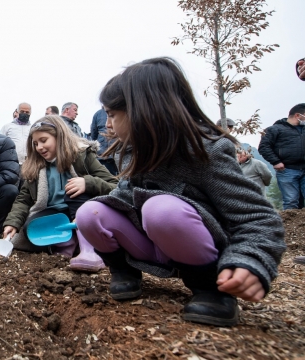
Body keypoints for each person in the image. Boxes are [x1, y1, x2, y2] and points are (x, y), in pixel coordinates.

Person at [74, 57, 285, 327]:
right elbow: (125, 195)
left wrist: (250, 261)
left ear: (143, 110)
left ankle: (211, 290)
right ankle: (124, 272)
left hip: (196, 246)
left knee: (161, 210)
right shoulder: (129, 152)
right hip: (153, 243)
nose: (109, 125)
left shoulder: (206, 151)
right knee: (89, 213)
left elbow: (257, 217)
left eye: (113, 115)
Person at [3, 116, 118, 271]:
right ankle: (67, 244)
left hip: (82, 209)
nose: (39, 147)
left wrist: (88, 183)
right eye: (35, 143)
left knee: (72, 192)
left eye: (44, 140)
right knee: (31, 226)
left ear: (59, 136)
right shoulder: (35, 167)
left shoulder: (82, 156)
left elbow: (115, 186)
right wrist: (13, 222)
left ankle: (89, 250)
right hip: (56, 215)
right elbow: (24, 199)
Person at [258, 104, 305, 210]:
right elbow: (264, 147)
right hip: (287, 169)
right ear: (298, 115)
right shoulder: (274, 129)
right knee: (291, 200)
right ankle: (290, 225)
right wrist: (276, 161)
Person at [90, 108, 118, 175]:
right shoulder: (98, 114)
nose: (107, 125)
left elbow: (93, 135)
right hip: (107, 154)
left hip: (104, 155)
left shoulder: (97, 114)